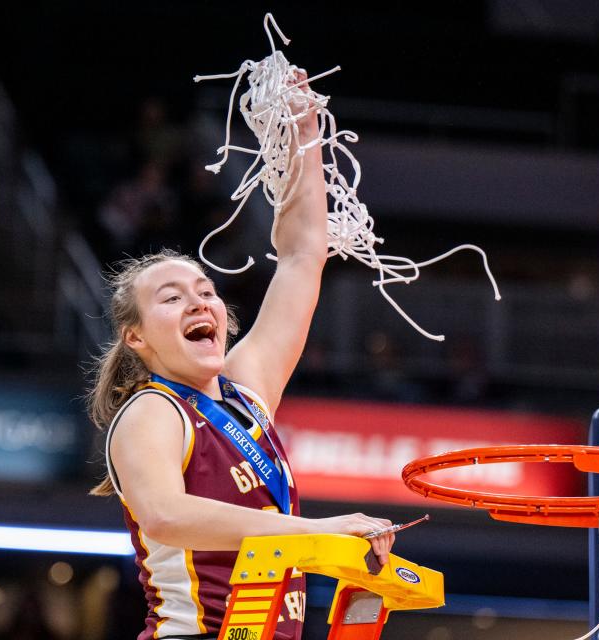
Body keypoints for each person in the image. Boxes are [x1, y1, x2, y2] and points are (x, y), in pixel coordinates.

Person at [88, 71, 395, 640]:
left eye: (206, 291)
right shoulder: (152, 411)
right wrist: (316, 531)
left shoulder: (243, 395)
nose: (198, 301)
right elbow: (165, 516)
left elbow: (304, 255)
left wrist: (304, 131)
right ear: (136, 337)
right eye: (171, 297)